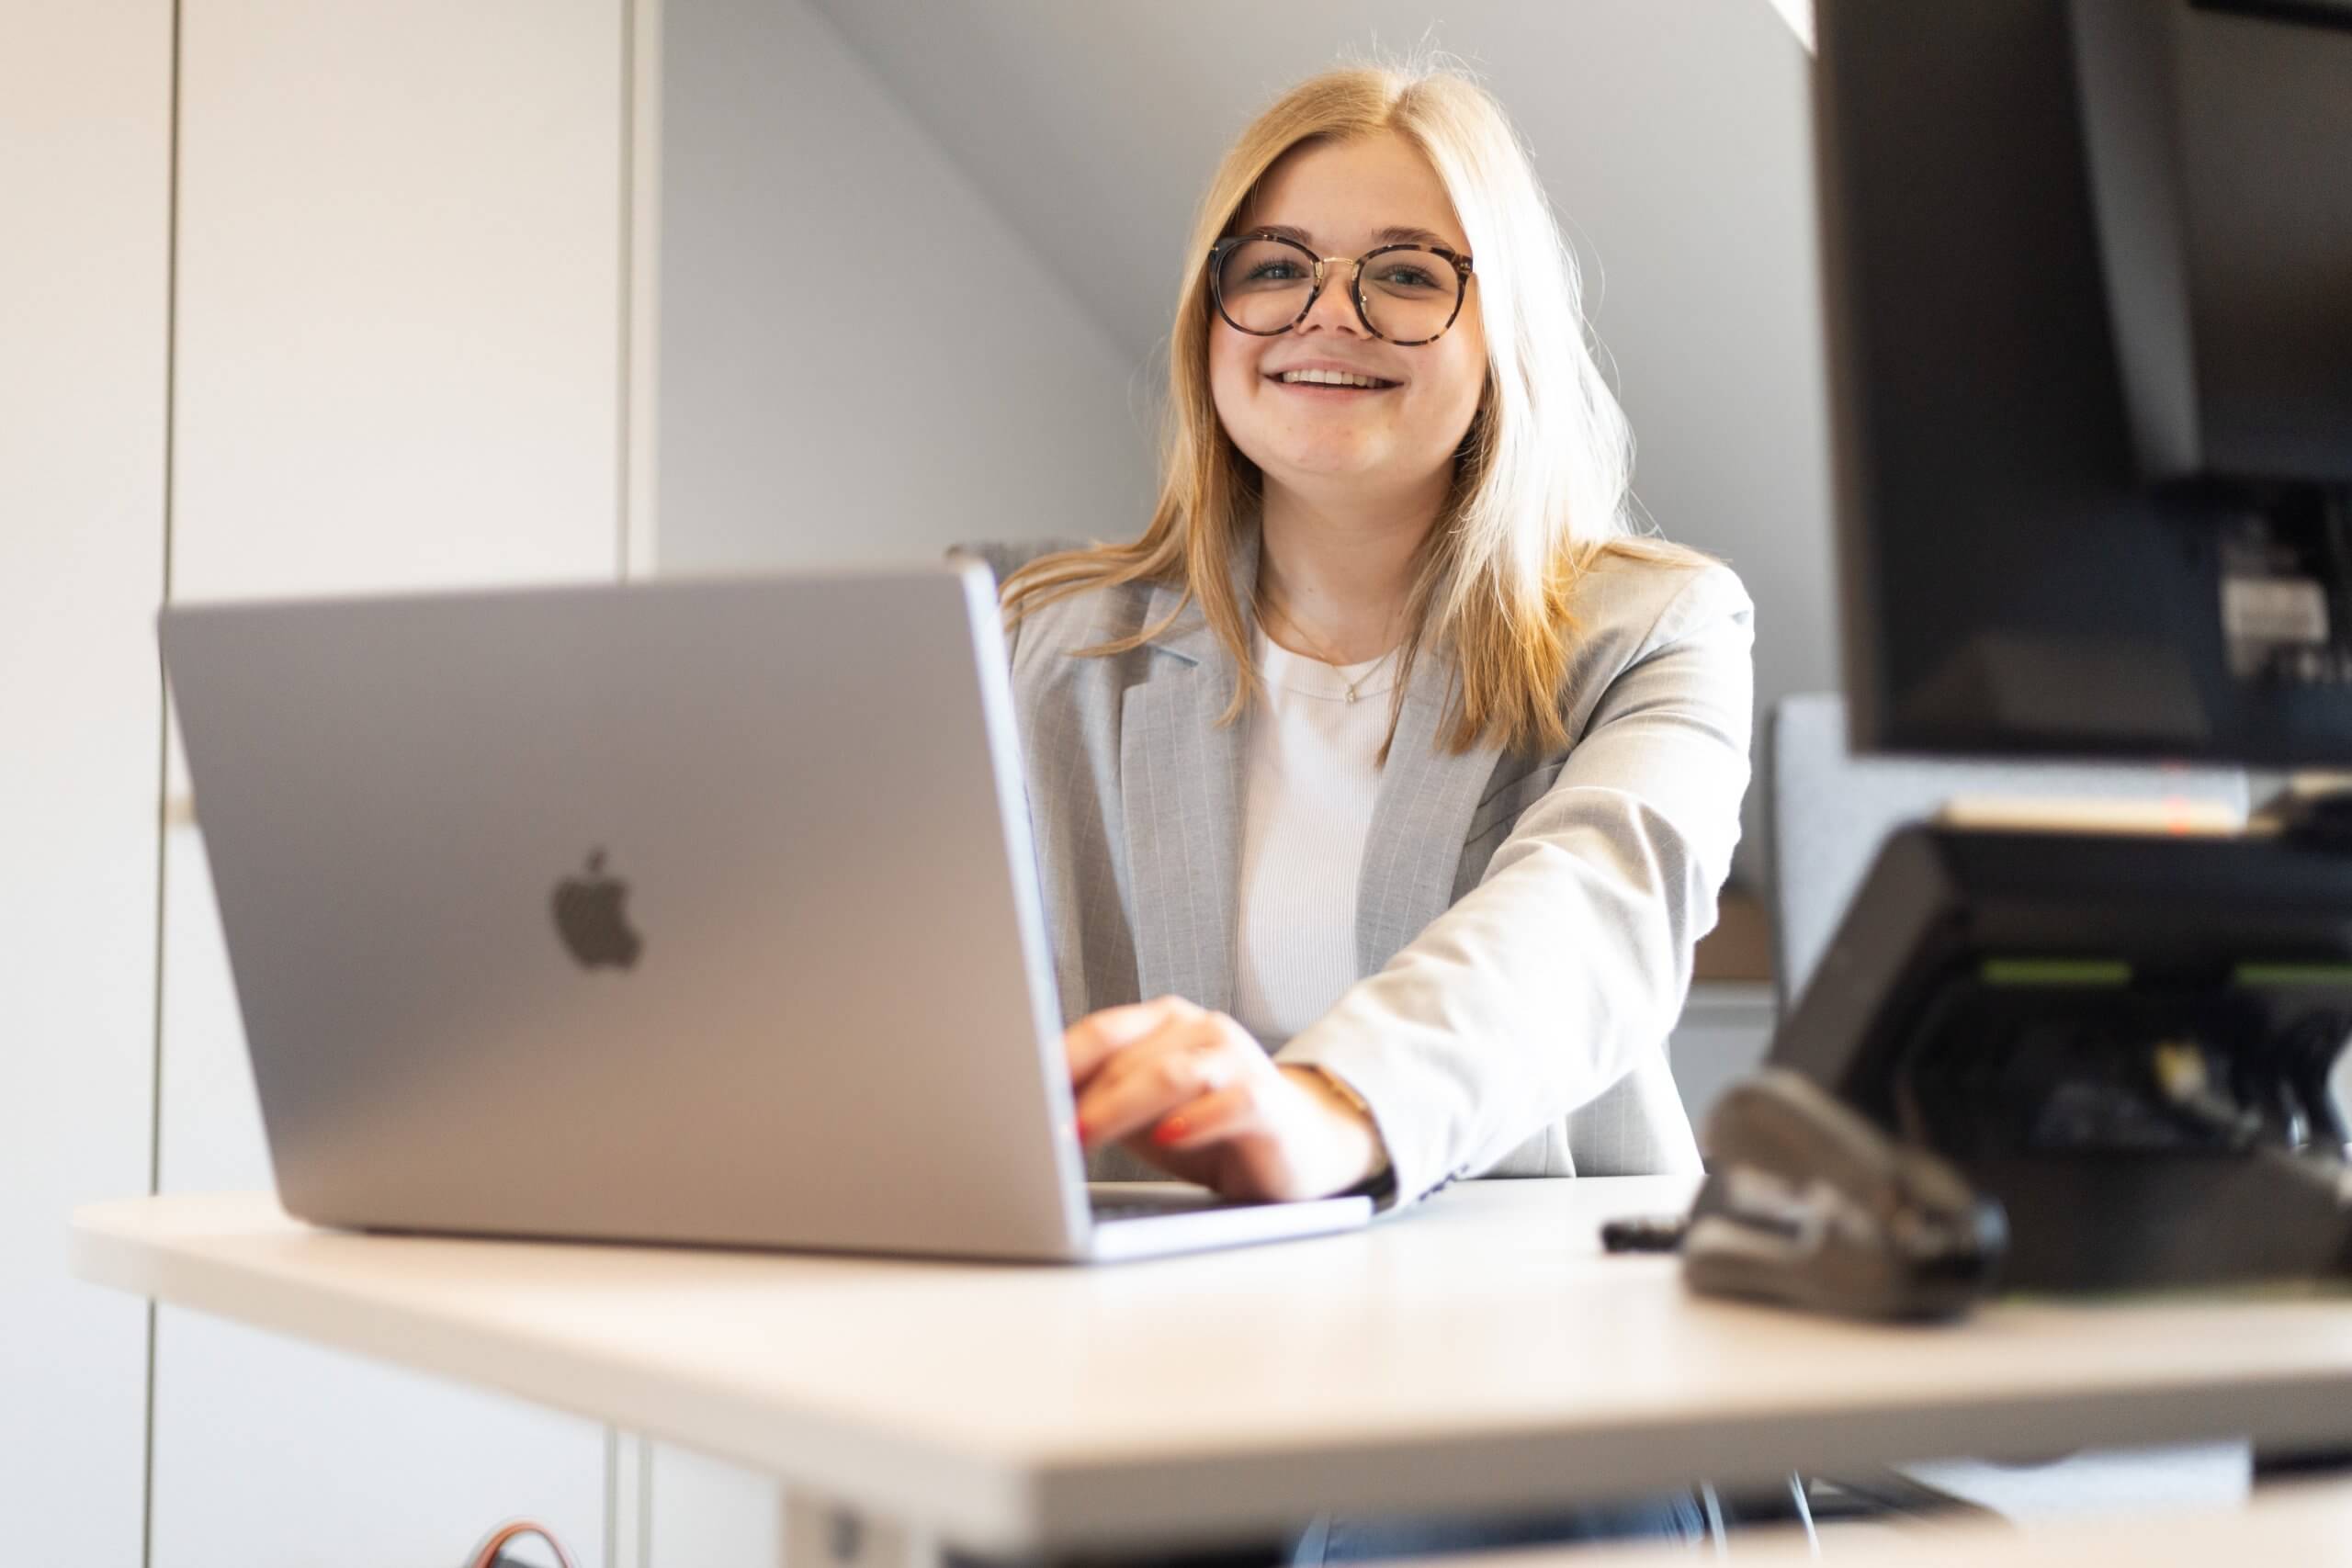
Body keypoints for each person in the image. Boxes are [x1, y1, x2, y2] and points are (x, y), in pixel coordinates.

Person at [989, 58, 1750, 1551]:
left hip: (1530, 1407)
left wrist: (1329, 1111)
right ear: (1212, 319)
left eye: (1407, 274)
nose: (1328, 317)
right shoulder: (1061, 640)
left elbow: (1591, 915)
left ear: (1500, 331)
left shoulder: (1656, 629)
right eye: (1273, 268)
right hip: (1160, 1392)